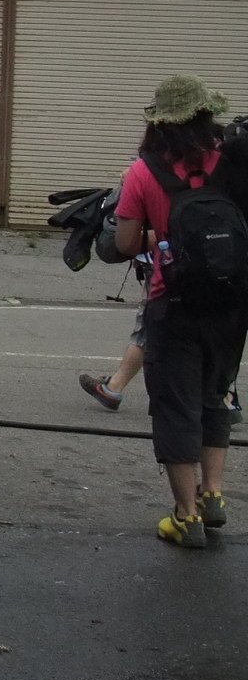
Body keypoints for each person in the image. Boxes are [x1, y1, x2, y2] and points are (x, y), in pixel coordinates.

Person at [110, 76, 248, 548]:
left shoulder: (143, 173)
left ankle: (185, 518)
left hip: (175, 304)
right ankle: (214, 496)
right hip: (231, 306)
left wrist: (162, 235)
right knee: (216, 395)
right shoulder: (230, 161)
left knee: (175, 406)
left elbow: (126, 243)